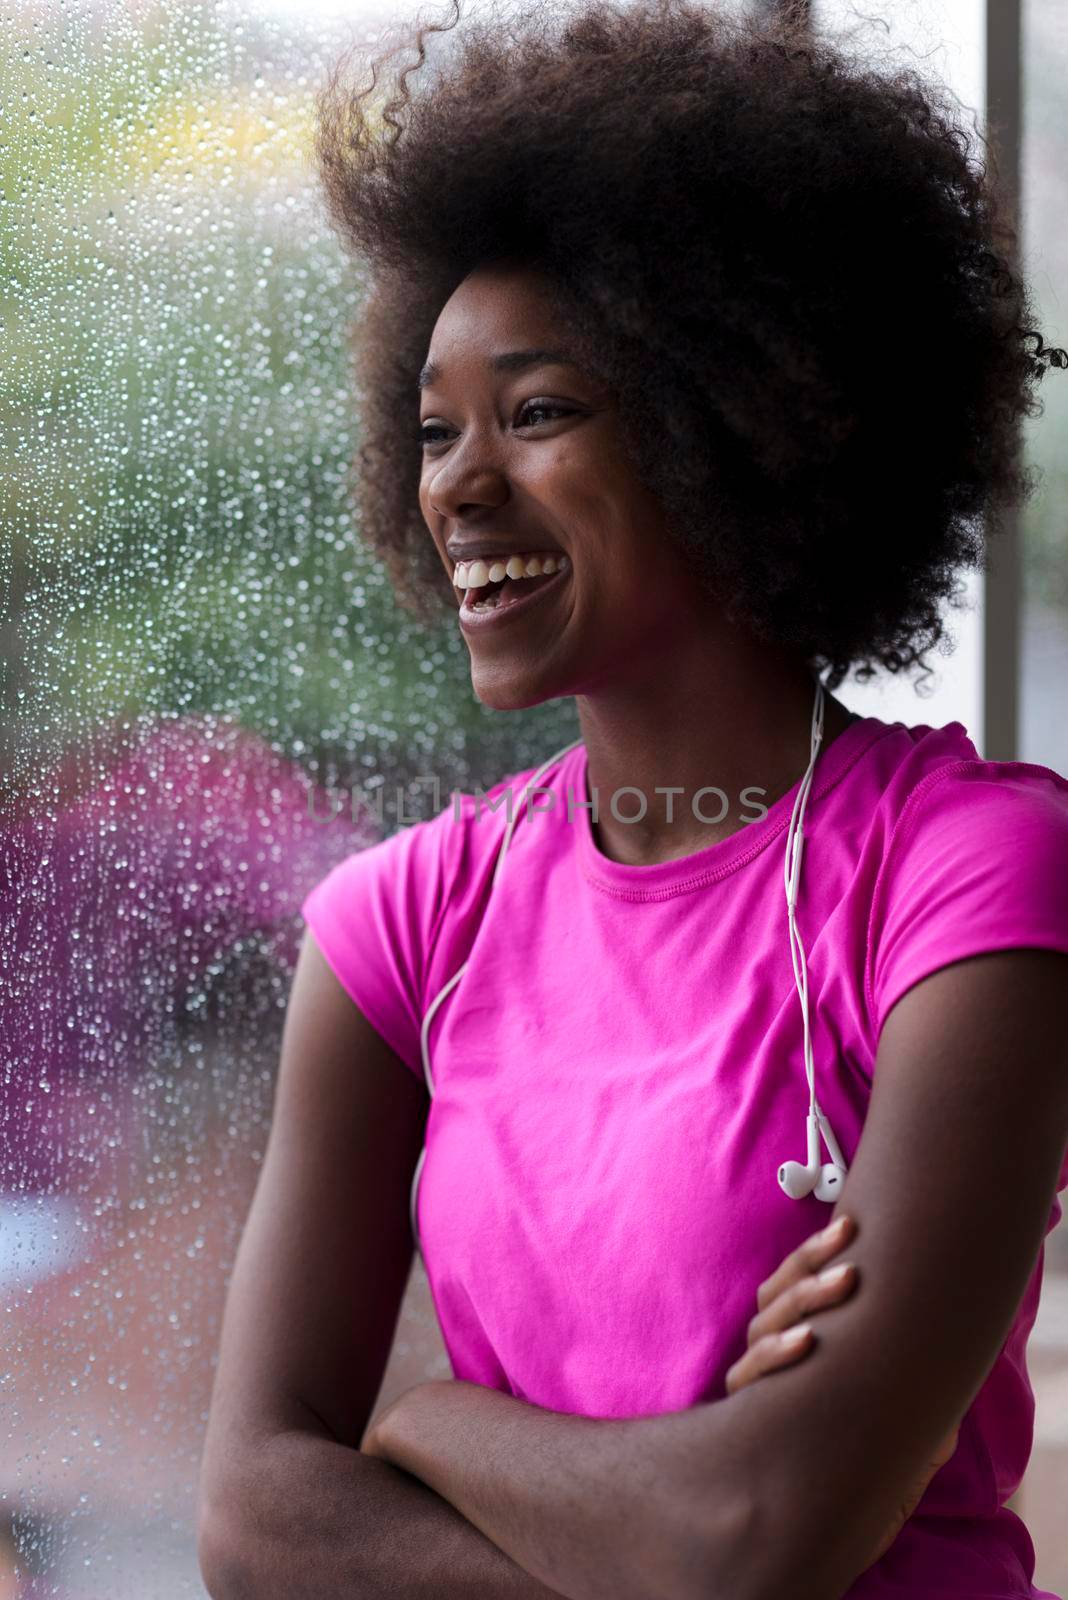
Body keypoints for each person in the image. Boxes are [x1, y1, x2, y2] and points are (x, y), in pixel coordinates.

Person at [197, 2, 1068, 1597]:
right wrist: (652, 1528)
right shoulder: (401, 927)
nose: (456, 487)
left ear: (743, 425)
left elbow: (758, 1532)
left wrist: (429, 1421)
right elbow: (256, 1523)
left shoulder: (973, 872)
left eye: (537, 414)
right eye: (434, 429)